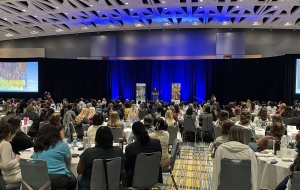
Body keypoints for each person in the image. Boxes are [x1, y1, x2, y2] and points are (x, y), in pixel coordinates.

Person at [211, 125, 257, 190]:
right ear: (243, 136)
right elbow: (254, 177)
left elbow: (216, 174)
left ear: (229, 135)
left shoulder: (221, 150)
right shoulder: (249, 152)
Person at [32, 124, 76, 190]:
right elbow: (68, 161)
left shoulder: (38, 146)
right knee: (73, 180)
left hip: (40, 179)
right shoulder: (62, 145)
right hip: (58, 178)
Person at [123, 121, 162, 187]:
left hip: (135, 179)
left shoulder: (130, 148)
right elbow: (159, 159)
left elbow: (126, 166)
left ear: (134, 134)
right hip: (154, 176)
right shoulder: (157, 143)